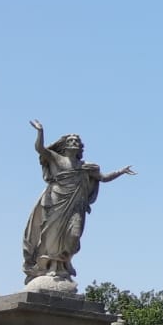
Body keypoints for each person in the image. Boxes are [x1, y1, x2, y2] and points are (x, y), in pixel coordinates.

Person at [22, 120, 135, 282]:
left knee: (73, 235)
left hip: (75, 205)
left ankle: (63, 264)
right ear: (65, 145)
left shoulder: (86, 166)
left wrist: (121, 171)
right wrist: (40, 131)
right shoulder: (56, 158)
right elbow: (40, 149)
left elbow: (103, 178)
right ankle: (52, 267)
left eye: (77, 141)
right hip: (56, 201)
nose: (75, 142)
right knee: (51, 235)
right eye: (71, 141)